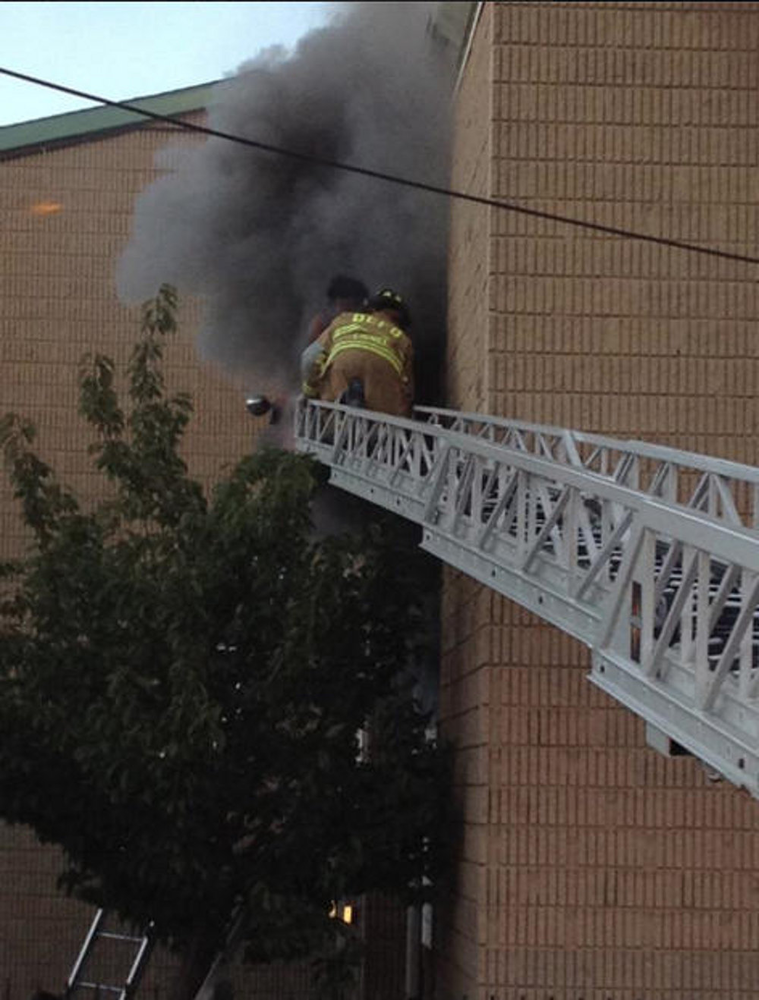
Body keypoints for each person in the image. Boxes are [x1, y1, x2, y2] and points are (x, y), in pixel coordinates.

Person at [301, 288, 414, 417]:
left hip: (335, 400)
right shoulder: (403, 340)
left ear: (369, 309)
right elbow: (407, 393)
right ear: (399, 319)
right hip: (380, 415)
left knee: (330, 415)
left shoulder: (343, 320)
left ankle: (343, 404)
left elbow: (310, 358)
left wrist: (309, 394)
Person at [305, 275, 369, 345]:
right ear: (333, 304)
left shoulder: (369, 322)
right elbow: (311, 353)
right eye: (347, 308)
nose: (352, 313)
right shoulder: (321, 324)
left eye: (357, 305)